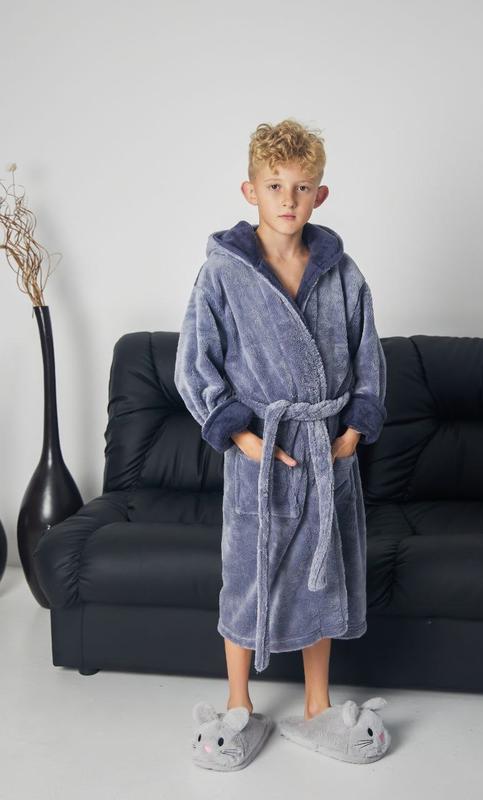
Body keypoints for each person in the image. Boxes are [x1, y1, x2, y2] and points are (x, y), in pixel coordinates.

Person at [175, 118, 390, 769]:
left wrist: (352, 431)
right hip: (260, 454)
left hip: (326, 450)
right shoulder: (223, 274)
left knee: (324, 573)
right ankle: (238, 703)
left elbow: (367, 355)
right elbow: (195, 363)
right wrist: (239, 435)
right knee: (247, 575)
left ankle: (318, 705)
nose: (288, 199)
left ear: (319, 195)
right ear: (250, 191)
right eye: (275, 186)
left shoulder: (342, 273)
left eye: (301, 187)